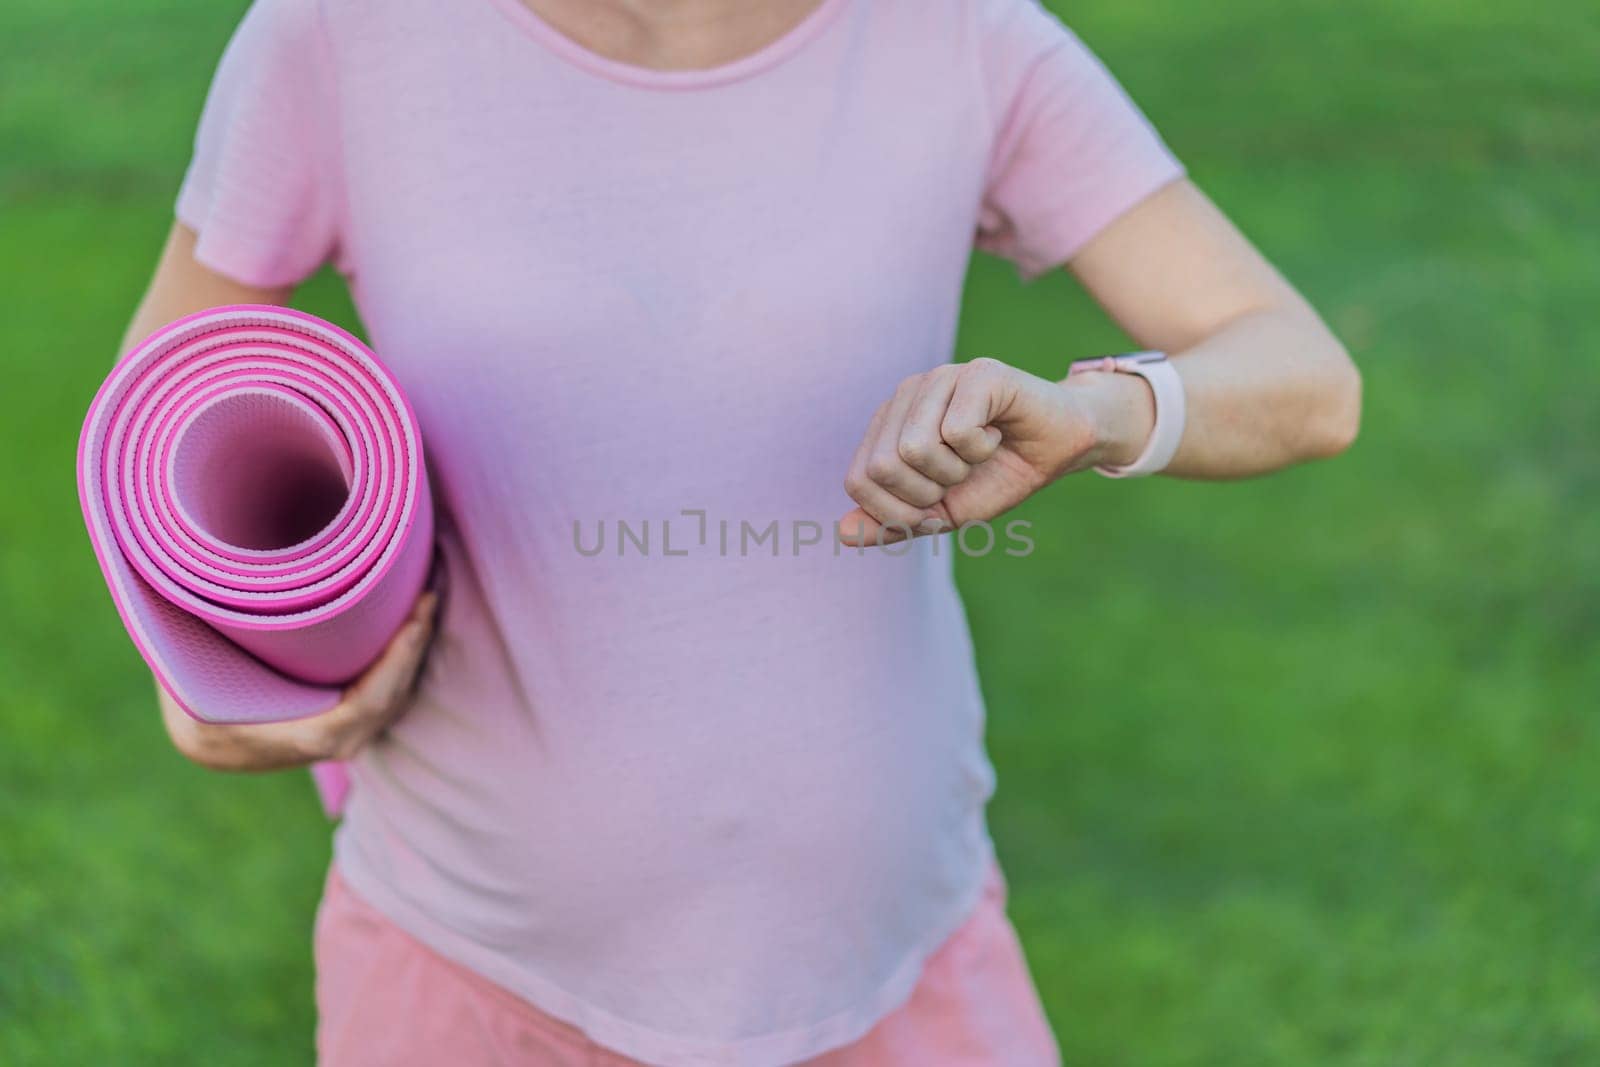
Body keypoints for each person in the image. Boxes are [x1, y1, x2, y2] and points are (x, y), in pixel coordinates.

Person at [123, 0, 1360, 1063]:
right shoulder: (345, 35)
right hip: (469, 972)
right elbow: (154, 430)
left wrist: (1095, 410)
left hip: (899, 970)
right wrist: (211, 694)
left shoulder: (959, 37)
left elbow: (1303, 374)